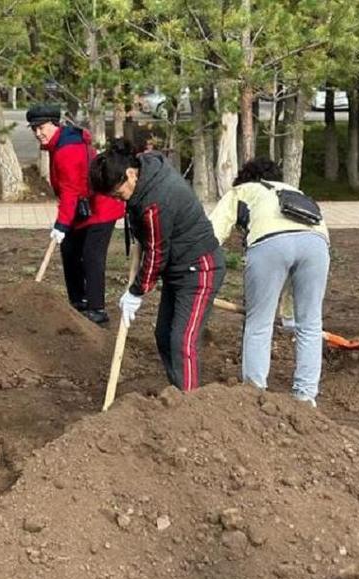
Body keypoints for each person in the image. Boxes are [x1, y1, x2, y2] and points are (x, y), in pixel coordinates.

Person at [89, 138, 225, 391]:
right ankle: (178, 392)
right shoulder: (145, 172)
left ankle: (189, 405)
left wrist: (136, 291)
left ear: (130, 174)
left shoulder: (155, 200)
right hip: (178, 269)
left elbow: (157, 252)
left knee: (182, 342)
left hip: (201, 268)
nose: (120, 200)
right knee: (163, 336)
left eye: (119, 193)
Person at [207, 157, 330, 407]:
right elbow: (297, 243)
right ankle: (306, 395)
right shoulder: (294, 191)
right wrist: (288, 316)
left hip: (270, 244)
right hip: (317, 245)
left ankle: (255, 392)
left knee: (259, 323)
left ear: (246, 178)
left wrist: (192, 266)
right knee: (310, 324)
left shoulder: (242, 190)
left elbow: (212, 234)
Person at [27, 104, 126, 325]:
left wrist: (61, 225)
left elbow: (70, 190)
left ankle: (96, 310)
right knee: (70, 250)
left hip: (101, 208)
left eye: (41, 127)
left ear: (55, 124)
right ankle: (78, 302)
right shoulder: (59, 144)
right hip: (83, 209)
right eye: (34, 129)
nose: (38, 133)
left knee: (92, 255)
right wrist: (64, 226)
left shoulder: (67, 149)